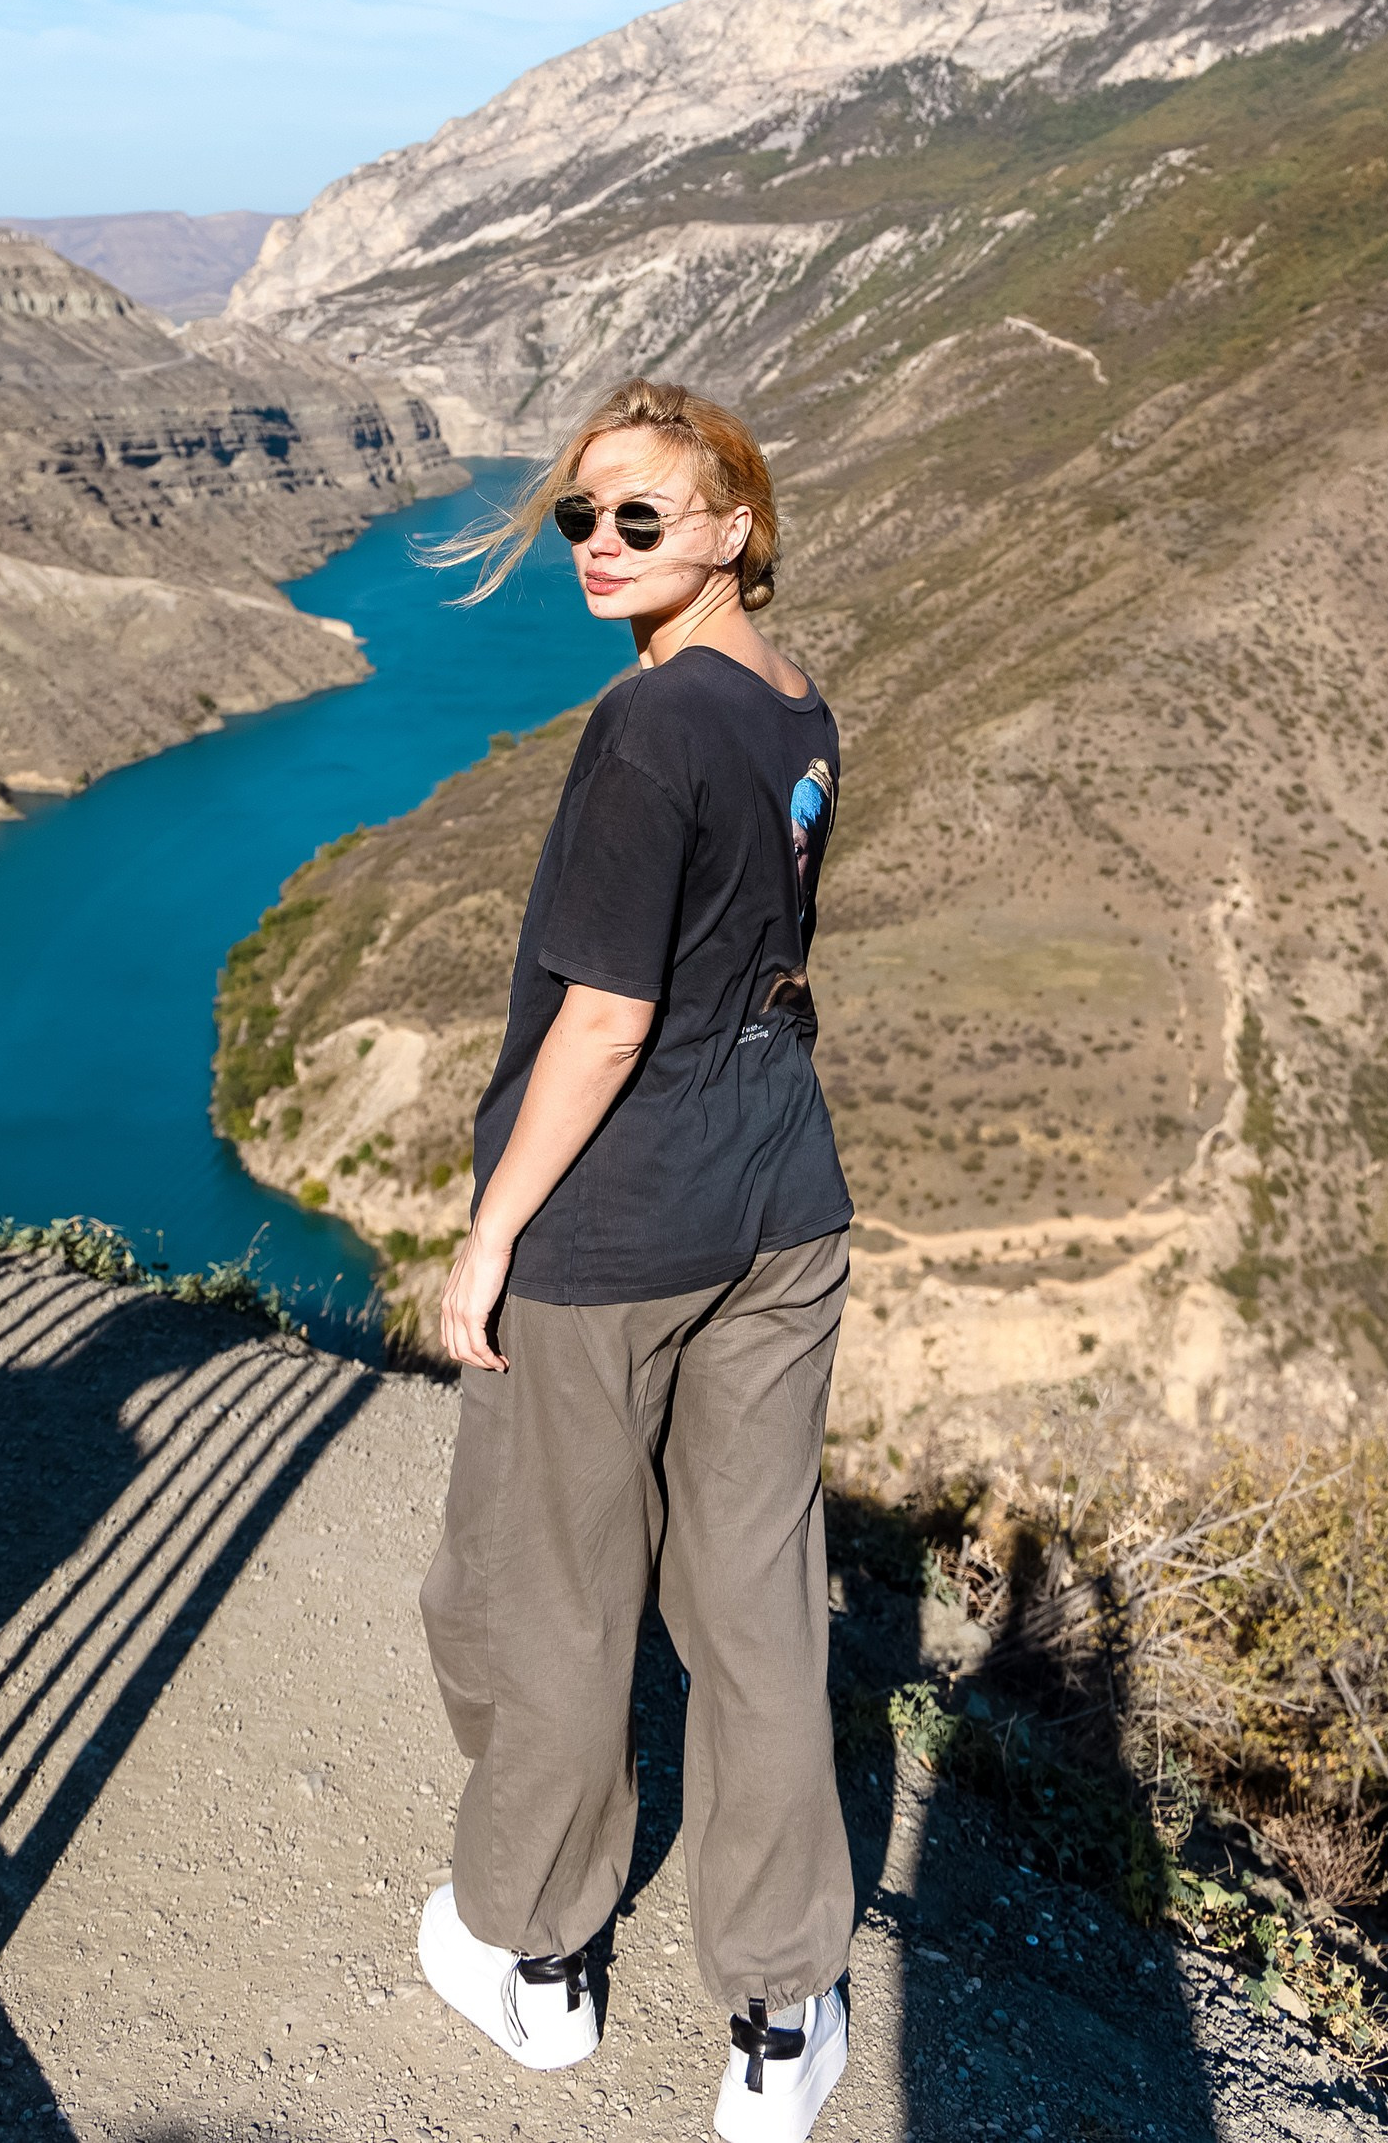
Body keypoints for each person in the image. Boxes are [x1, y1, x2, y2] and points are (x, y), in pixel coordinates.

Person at [416, 376, 855, 2143]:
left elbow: (603, 1022)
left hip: (614, 1230)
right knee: (755, 1610)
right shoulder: (796, 705)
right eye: (578, 522)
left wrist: (488, 1238)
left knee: (547, 1599)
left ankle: (536, 1960)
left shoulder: (650, 727)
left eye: (638, 518)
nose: (598, 548)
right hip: (782, 1204)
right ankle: (778, 2017)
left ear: (733, 525)